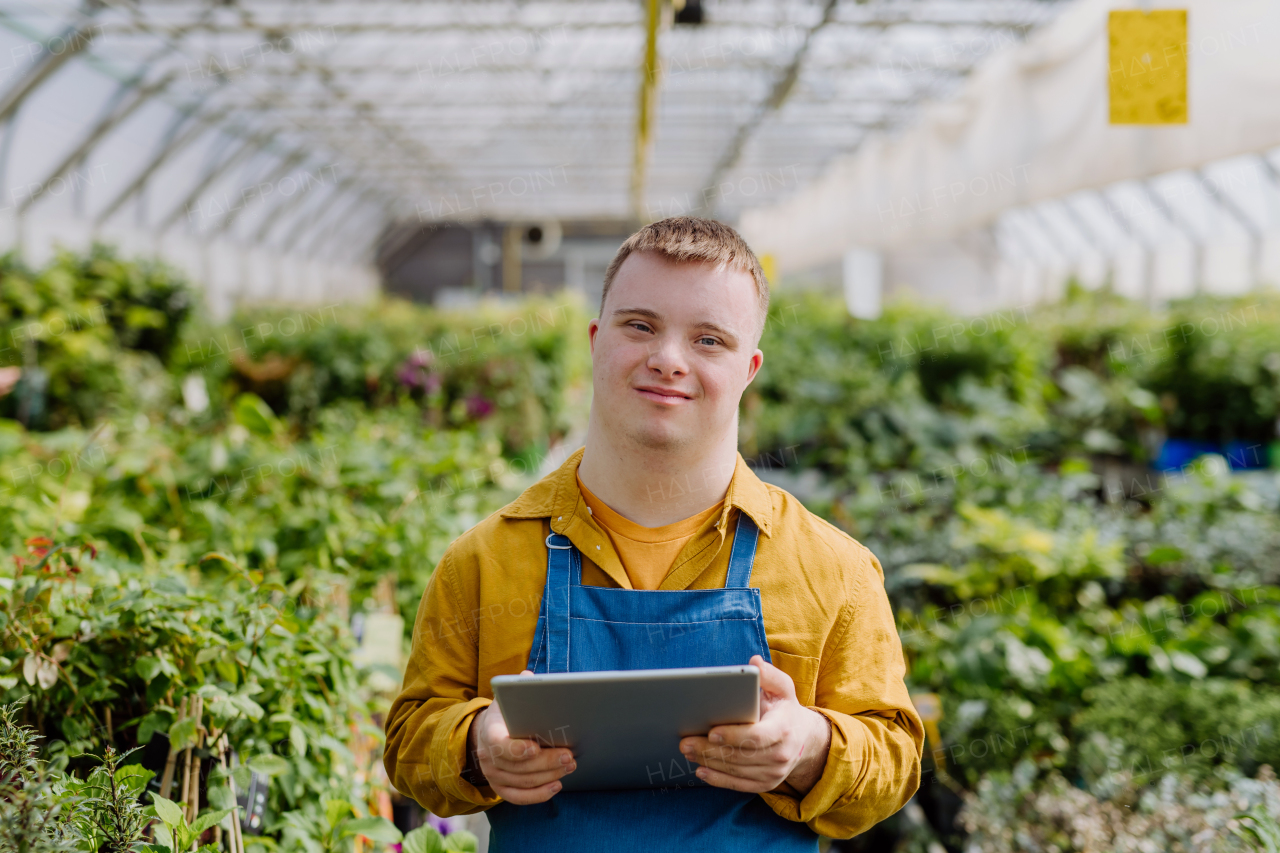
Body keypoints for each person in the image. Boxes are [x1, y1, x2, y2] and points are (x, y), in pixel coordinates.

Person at [384, 217, 923, 851]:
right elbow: (409, 743)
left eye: (709, 340)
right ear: (594, 340)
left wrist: (811, 747)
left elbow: (894, 758)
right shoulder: (483, 561)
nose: (668, 360)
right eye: (639, 325)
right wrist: (475, 746)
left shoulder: (833, 570)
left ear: (749, 368)